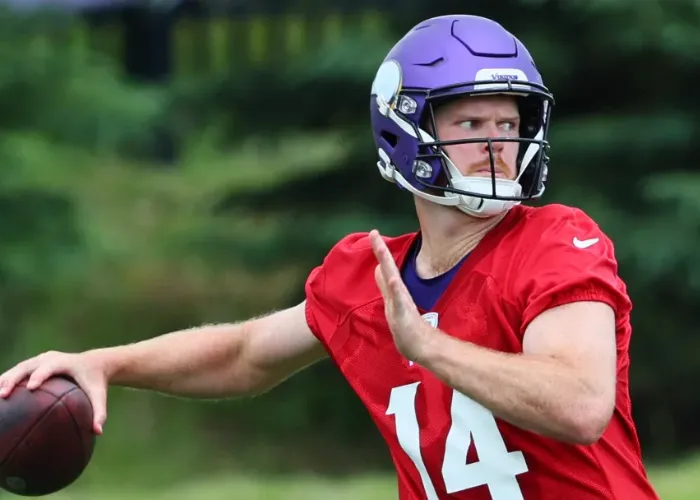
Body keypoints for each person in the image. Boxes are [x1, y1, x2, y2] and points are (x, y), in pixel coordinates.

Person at [0, 14, 659, 500]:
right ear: (406, 134)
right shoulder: (369, 277)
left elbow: (579, 403)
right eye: (470, 125)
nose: (497, 145)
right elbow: (245, 354)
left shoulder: (556, 242)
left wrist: (432, 350)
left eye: (509, 124)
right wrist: (103, 363)